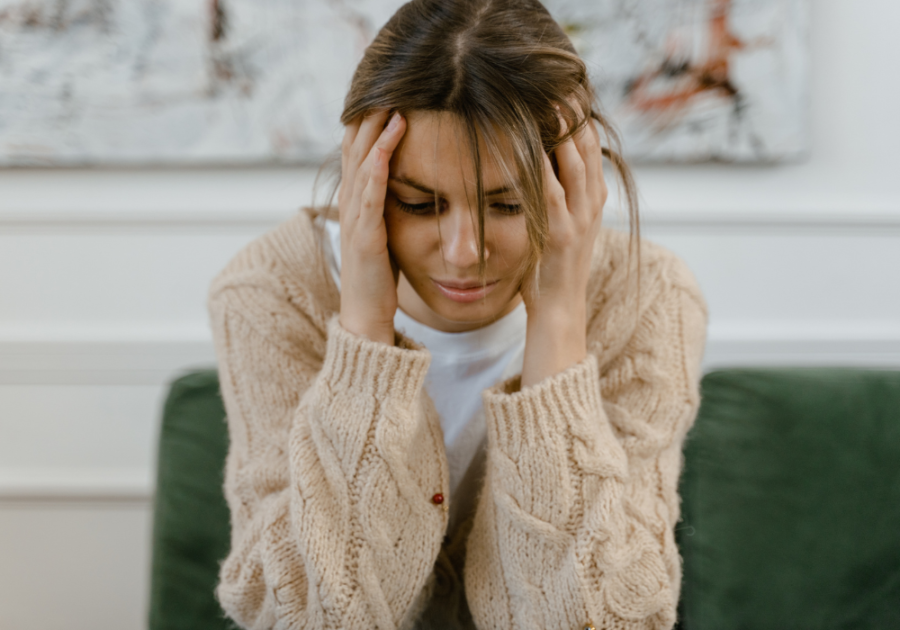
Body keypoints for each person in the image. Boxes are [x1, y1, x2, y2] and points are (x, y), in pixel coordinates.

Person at [207, 0, 708, 628]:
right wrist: (364, 333)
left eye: (505, 204)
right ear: (367, 178)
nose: (464, 252)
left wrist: (557, 323)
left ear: (574, 181)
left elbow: (609, 619)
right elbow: (306, 617)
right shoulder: (274, 294)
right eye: (419, 205)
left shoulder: (645, 297)